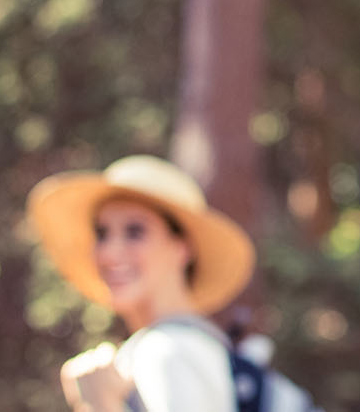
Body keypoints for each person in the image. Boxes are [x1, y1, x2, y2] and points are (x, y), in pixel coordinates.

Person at [27, 155, 253, 412]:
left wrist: (100, 404)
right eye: (102, 234)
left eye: (135, 232)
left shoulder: (165, 352)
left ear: (182, 248)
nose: (109, 253)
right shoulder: (193, 346)